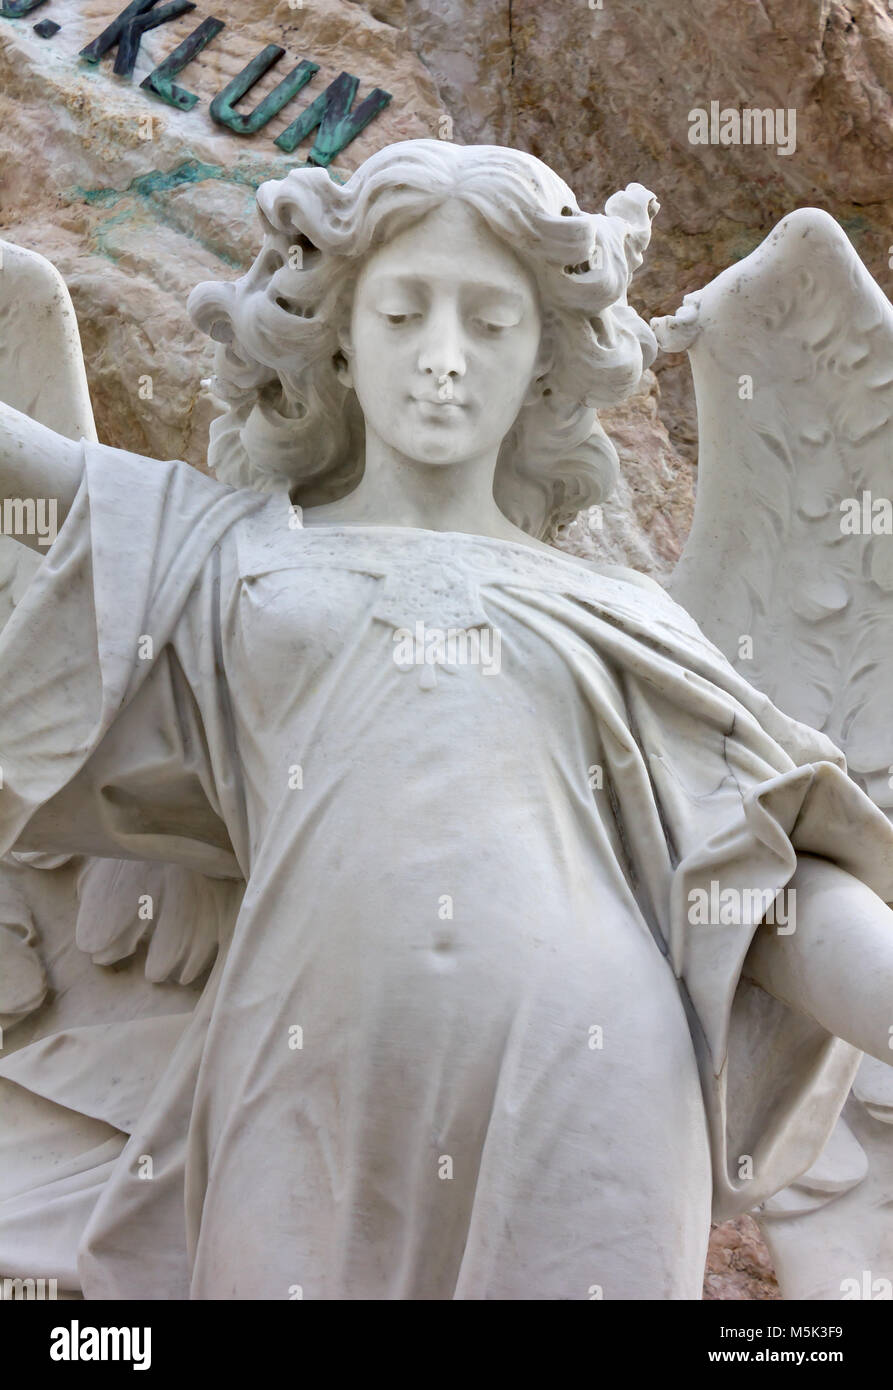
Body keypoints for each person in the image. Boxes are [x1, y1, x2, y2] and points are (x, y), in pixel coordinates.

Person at [1, 139, 892, 1300]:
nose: (440, 360)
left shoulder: (618, 610)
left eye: (488, 322)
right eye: (401, 313)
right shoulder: (221, 553)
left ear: (544, 361)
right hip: (306, 1052)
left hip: (594, 1064)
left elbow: (761, 883)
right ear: (332, 334)